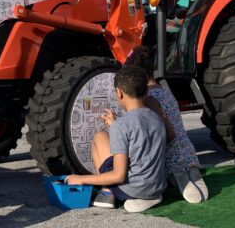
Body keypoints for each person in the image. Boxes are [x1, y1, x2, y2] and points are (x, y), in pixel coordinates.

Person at [65, 65, 167, 213]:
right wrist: (115, 124)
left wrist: (81, 179)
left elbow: (118, 176)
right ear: (146, 91)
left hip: (131, 190)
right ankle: (149, 196)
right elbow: (141, 136)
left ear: (119, 93)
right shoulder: (156, 118)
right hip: (157, 187)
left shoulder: (122, 125)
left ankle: (107, 192)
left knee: (99, 137)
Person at [124, 46, 208, 203]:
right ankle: (193, 175)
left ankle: (181, 180)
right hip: (187, 150)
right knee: (191, 174)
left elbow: (168, 132)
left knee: (179, 177)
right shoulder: (165, 91)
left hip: (171, 153)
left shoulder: (148, 99)